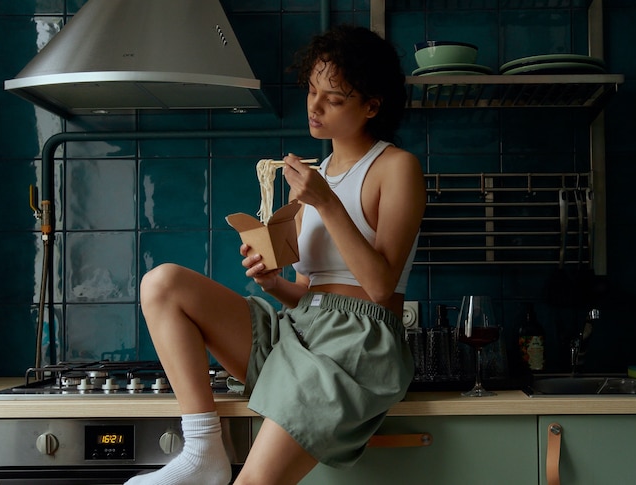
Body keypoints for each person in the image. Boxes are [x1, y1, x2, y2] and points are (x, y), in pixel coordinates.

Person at [126, 24, 425, 485]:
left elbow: (380, 285)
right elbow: (308, 292)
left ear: (372, 105)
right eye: (311, 90)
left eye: (335, 98)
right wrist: (271, 283)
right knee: (162, 283)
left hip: (359, 343)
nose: (314, 106)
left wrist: (324, 200)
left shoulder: (395, 168)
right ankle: (204, 446)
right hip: (301, 330)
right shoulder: (314, 174)